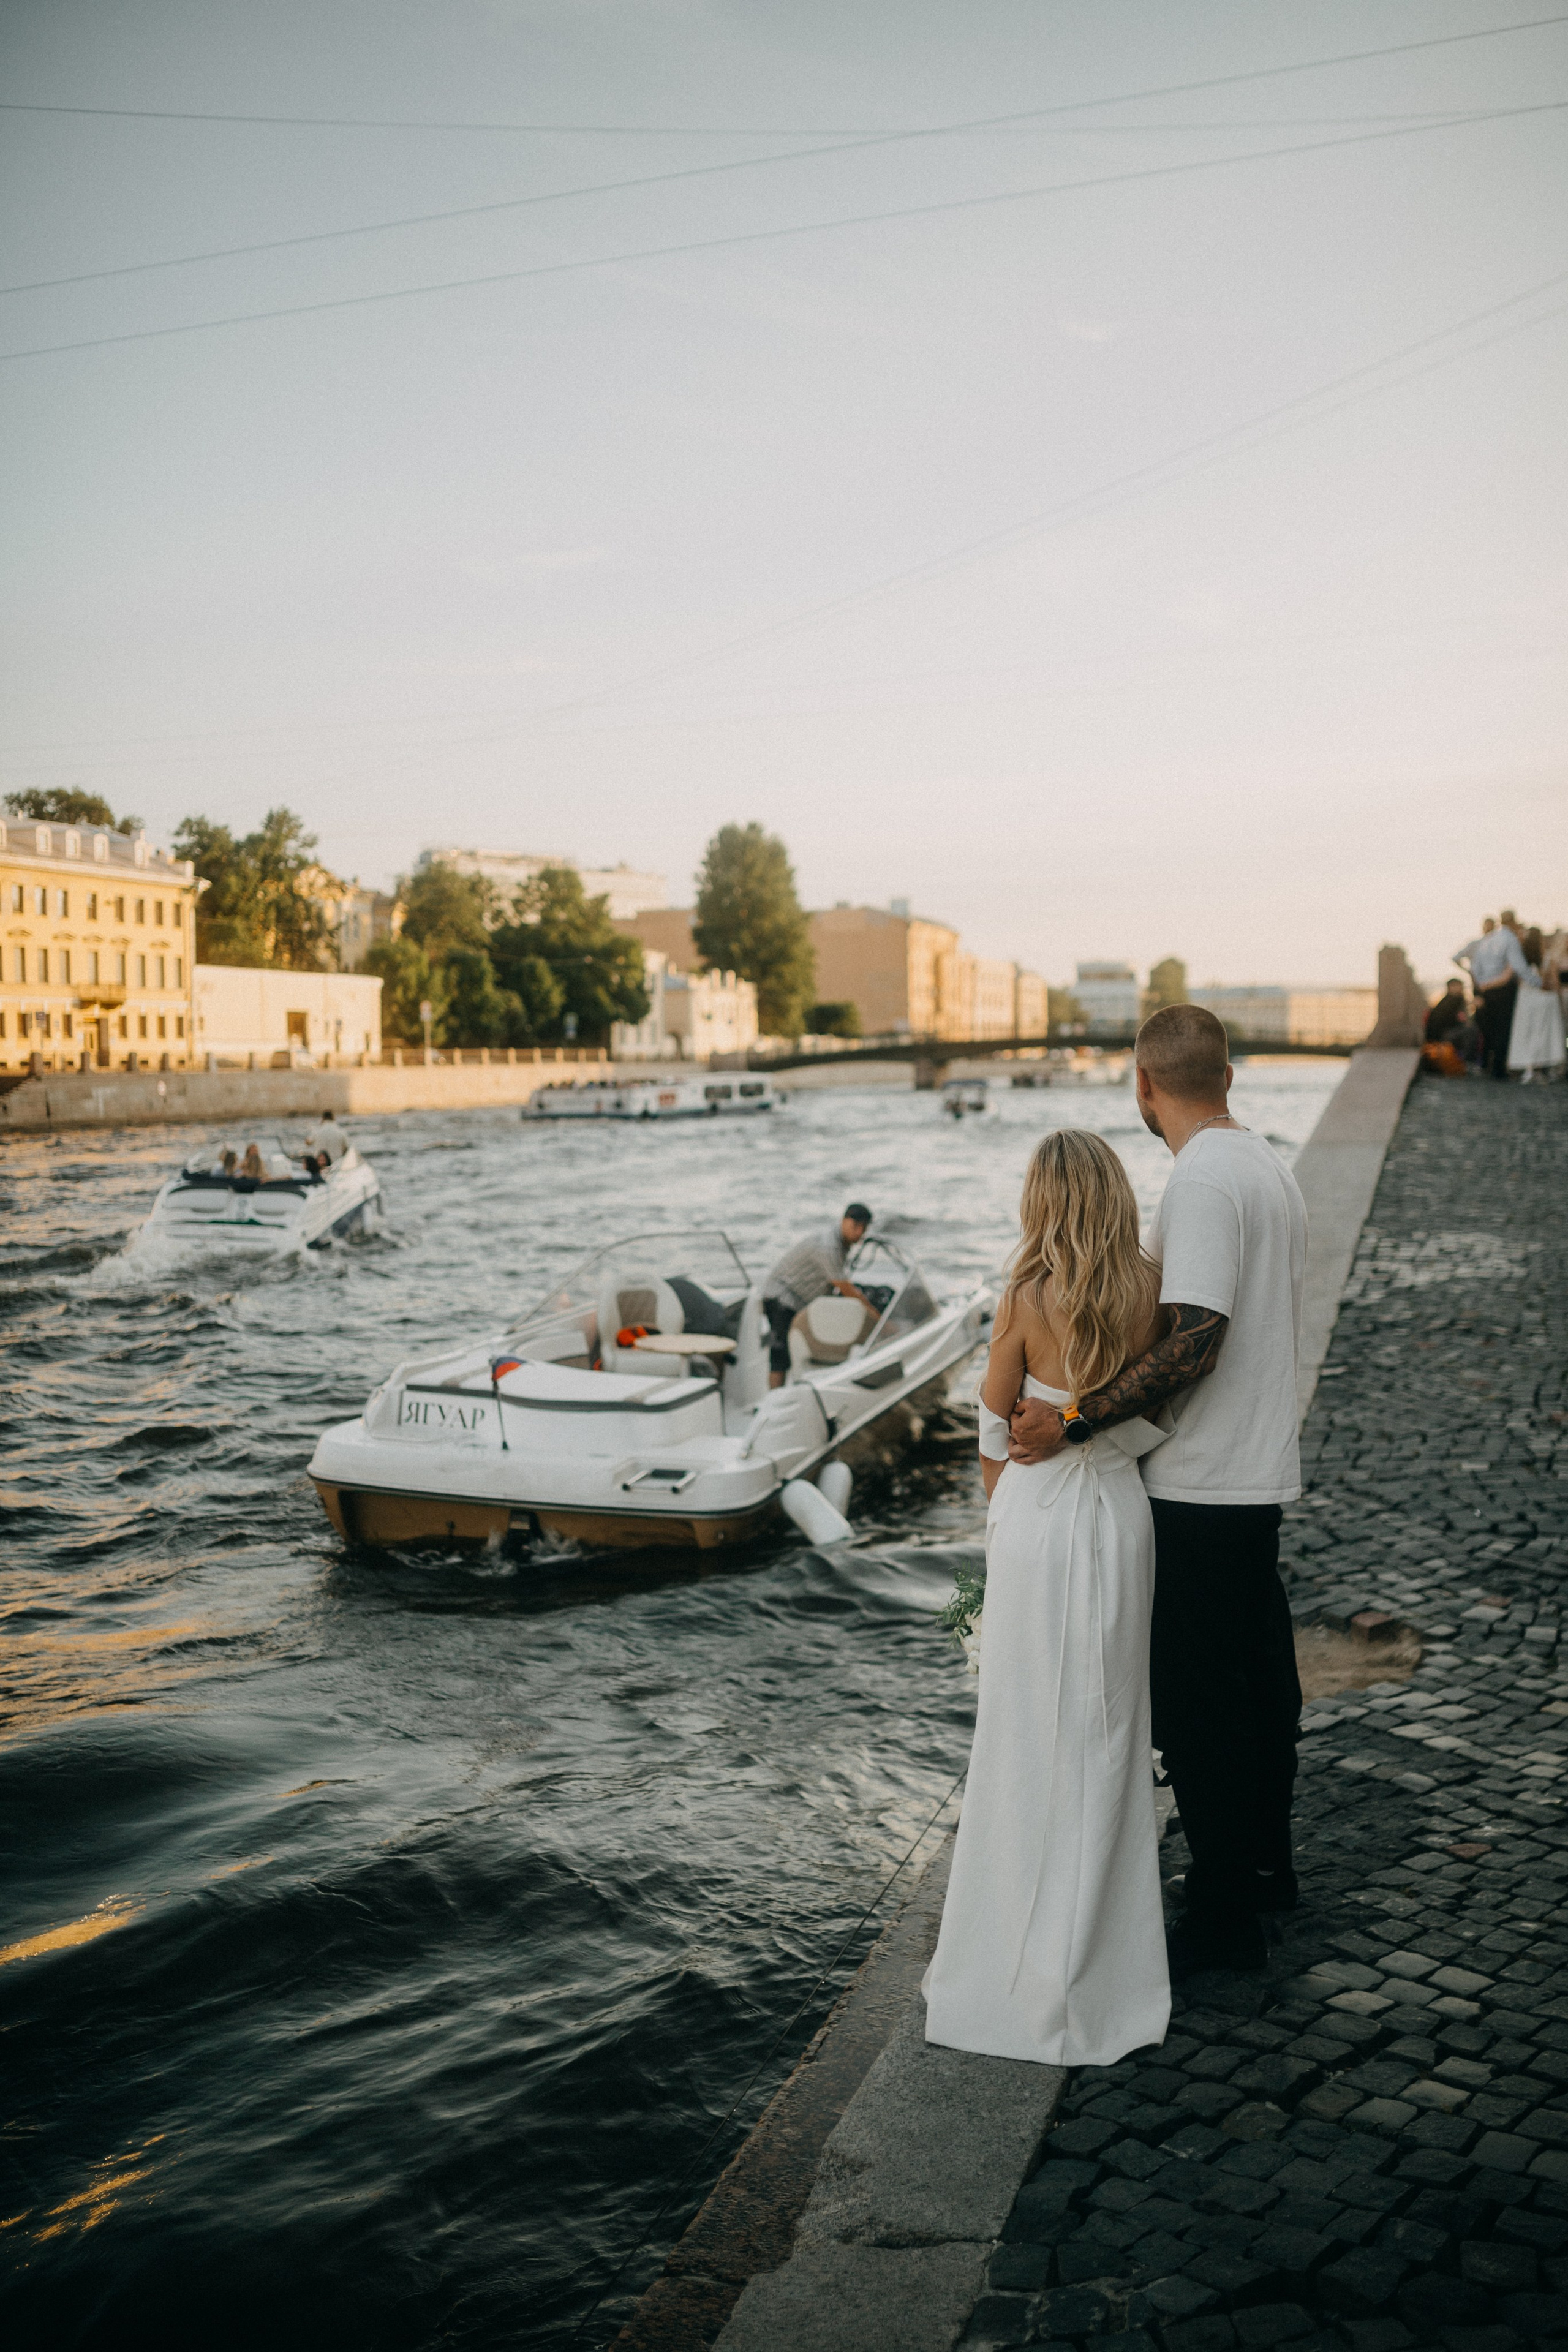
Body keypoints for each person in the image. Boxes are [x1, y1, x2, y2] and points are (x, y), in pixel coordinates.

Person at [1007, 1005, 1306, 1977]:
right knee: (1261, 1687)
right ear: (1228, 1073)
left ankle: (1223, 1911)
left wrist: (1078, 1419)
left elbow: (1195, 1338)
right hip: (1252, 1474)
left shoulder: (1205, 1179)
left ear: (1145, 1084)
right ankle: (1267, 1868)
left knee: (1197, 1705)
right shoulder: (1265, 1165)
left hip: (1199, 1485)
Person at [924, 1131, 1171, 2065]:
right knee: (1109, 1734)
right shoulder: (1154, 1291)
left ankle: (1012, 1955)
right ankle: (1102, 1963)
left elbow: (995, 1418)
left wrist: (1004, 1515)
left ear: (1042, 1202)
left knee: (1023, 1736)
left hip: (1036, 1526)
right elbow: (1161, 1411)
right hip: (1118, 1519)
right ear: (1113, 1195)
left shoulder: (1026, 1296)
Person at [761, 1204, 875, 1387]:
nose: (859, 1233)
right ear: (844, 1221)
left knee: (793, 1350)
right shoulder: (829, 1247)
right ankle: (774, 1402)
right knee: (780, 1353)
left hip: (800, 1300)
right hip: (781, 1296)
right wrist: (876, 1317)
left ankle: (796, 1391)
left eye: (864, 1229)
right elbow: (846, 1289)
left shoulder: (842, 1244)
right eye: (856, 1227)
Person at [1457, 912, 1540, 1079]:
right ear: (1514, 923)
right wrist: (1537, 982)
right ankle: (1499, 1069)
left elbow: (1476, 965)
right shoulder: (1510, 939)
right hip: (1503, 991)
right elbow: (1519, 966)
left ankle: (1488, 1065)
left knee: (1491, 1029)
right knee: (1503, 1029)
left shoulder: (1488, 940)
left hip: (1487, 990)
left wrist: (1481, 985)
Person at [1506, 926, 1567, 1081]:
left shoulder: (1520, 958)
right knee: (1541, 1034)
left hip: (1526, 999)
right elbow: (1551, 981)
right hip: (1543, 998)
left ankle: (1528, 1068)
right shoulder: (1546, 957)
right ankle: (1540, 1068)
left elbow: (1519, 981)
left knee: (1525, 1033)